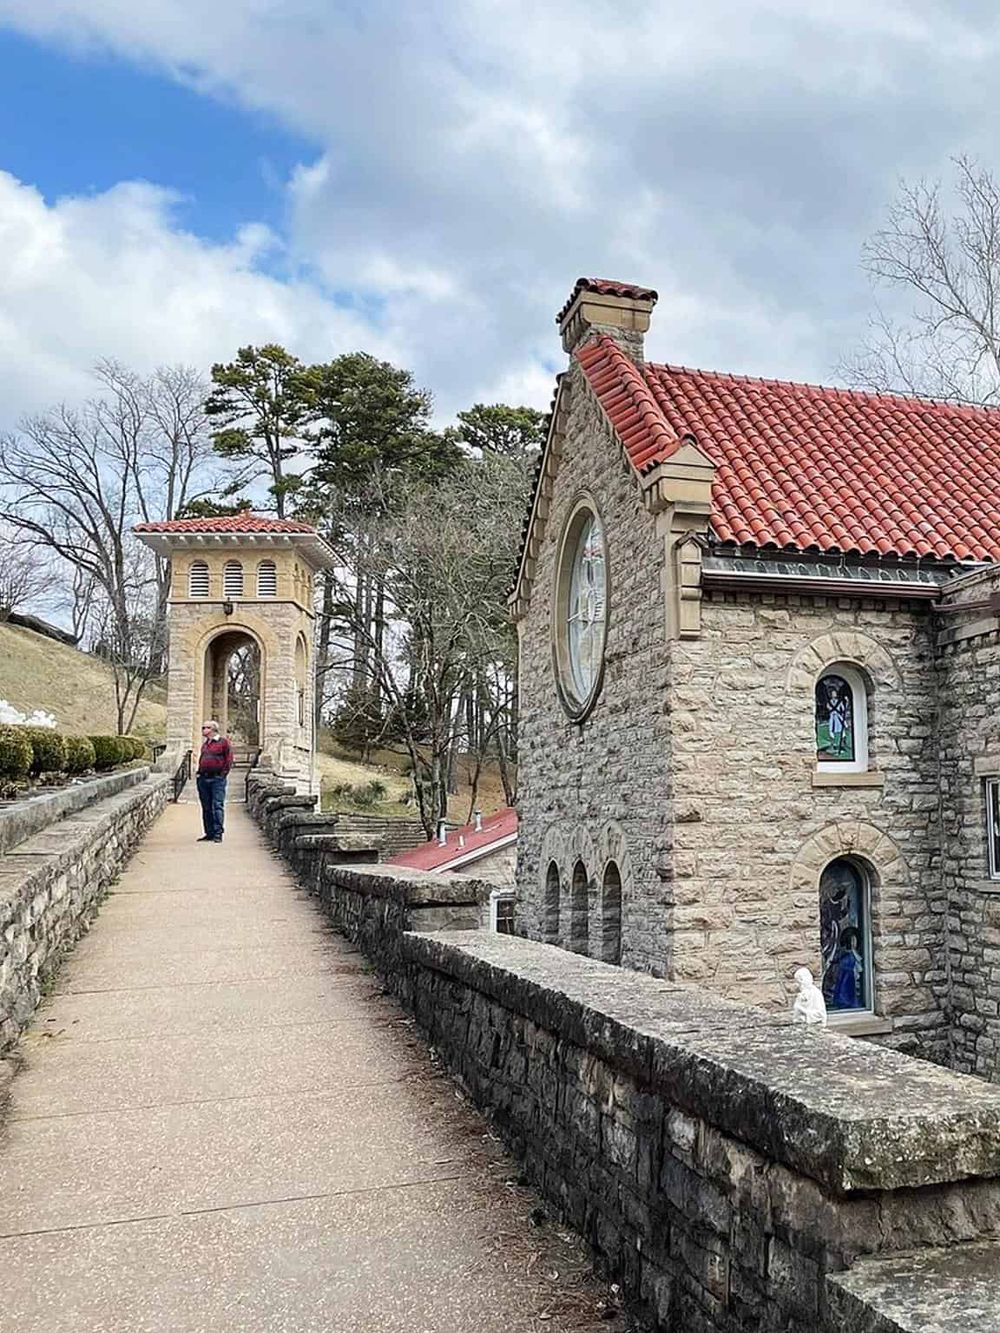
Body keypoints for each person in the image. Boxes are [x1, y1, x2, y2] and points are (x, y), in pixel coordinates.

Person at [196, 720, 233, 843]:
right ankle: (209, 833)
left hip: (217, 778)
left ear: (213, 729)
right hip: (203, 778)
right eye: (203, 728)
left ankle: (218, 833)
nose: (203, 730)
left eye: (206, 728)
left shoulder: (223, 743)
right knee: (206, 807)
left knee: (217, 805)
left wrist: (223, 774)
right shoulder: (206, 744)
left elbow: (229, 759)